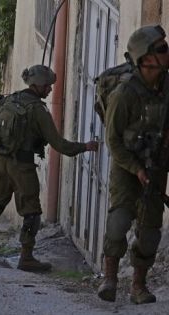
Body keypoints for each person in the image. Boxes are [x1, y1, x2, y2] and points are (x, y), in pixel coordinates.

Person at [0, 64, 98, 272]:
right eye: (48, 86)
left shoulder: (8, 99)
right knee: (32, 212)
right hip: (22, 166)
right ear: (38, 85)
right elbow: (59, 145)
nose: (49, 90)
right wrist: (85, 147)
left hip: (1, 162)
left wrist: (5, 137)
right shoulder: (38, 110)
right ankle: (27, 256)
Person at [97, 25, 169, 305]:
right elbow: (113, 140)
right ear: (145, 58)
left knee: (150, 229)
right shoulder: (125, 93)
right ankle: (110, 279)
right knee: (119, 221)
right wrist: (136, 168)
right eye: (162, 49)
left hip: (157, 164)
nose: (167, 52)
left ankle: (139, 286)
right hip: (127, 164)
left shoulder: (166, 86)